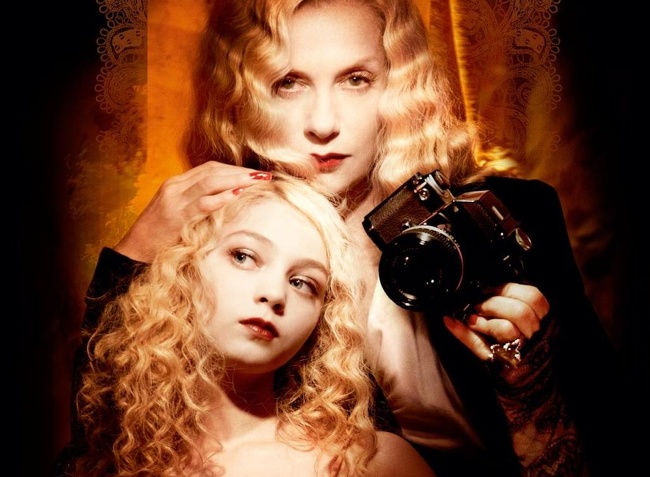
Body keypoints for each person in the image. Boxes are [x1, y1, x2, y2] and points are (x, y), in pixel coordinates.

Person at [59, 0, 635, 476]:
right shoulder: (230, 239)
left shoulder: (503, 216)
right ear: (246, 97)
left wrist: (531, 380)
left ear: (398, 85)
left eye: (356, 80)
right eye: (288, 84)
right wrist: (131, 257)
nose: (324, 123)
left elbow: (613, 428)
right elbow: (113, 439)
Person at [63, 175, 436, 477]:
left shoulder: (370, 463)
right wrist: (134, 249)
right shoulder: (117, 456)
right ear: (183, 270)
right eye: (243, 257)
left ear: (322, 323)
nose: (274, 294)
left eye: (302, 283)